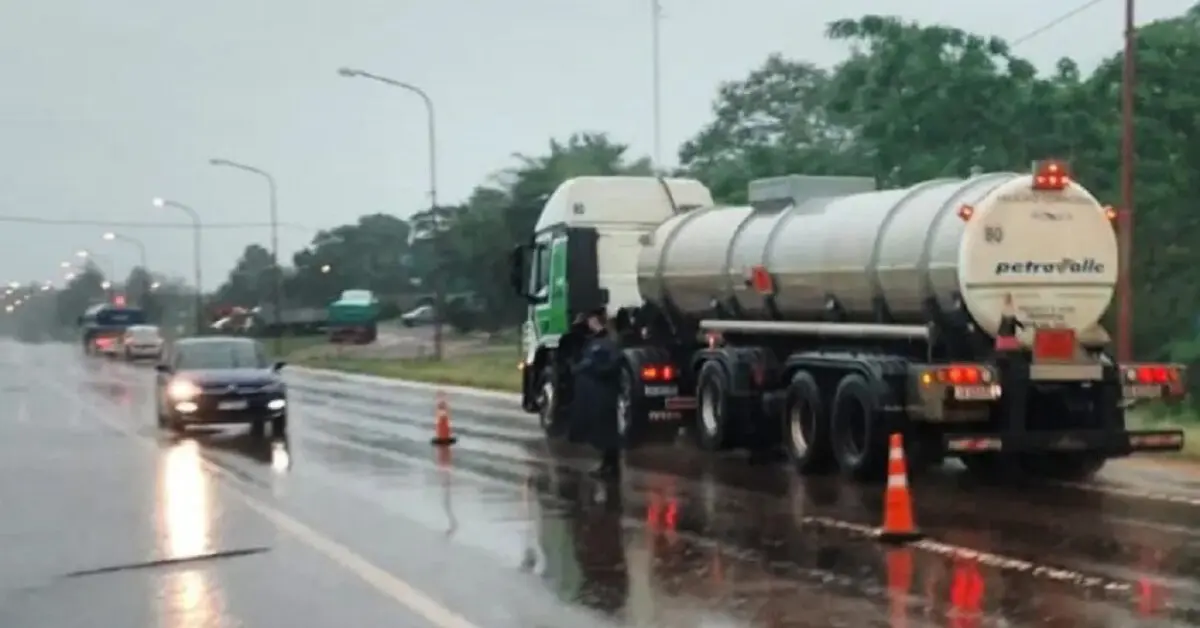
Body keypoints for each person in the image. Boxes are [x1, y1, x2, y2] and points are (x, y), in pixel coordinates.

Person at [570, 308, 623, 478]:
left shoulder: (608, 342)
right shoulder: (594, 341)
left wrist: (595, 370)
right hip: (598, 392)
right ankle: (606, 465)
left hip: (606, 391)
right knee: (602, 431)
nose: (589, 323)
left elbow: (613, 364)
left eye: (591, 320)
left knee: (608, 430)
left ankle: (612, 467)